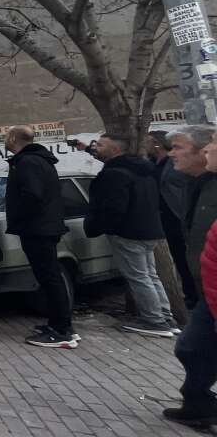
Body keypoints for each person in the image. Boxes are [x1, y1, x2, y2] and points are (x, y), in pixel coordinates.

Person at [80, 134, 176, 337]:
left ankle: (155, 321)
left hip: (128, 232)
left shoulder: (115, 174)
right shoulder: (142, 169)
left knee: (139, 276)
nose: (96, 147)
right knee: (150, 275)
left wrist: (104, 226)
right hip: (150, 229)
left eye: (101, 144)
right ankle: (166, 317)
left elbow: (114, 207)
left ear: (115, 149)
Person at [4, 125, 76, 348]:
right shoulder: (39, 160)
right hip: (43, 227)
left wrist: (18, 215)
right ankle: (58, 323)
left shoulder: (27, 162)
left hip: (37, 229)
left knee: (50, 278)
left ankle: (62, 330)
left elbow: (32, 195)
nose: (5, 140)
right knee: (49, 277)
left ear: (14, 138)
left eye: (7, 137)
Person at [164, 125, 217, 427]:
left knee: (193, 346)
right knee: (191, 347)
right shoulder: (195, 182)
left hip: (212, 288)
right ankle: (198, 403)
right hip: (206, 287)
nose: (172, 153)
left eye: (179, 147)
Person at [150, 130, 200, 310]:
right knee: (180, 259)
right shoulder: (154, 162)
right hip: (164, 217)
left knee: (187, 259)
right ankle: (191, 295)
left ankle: (195, 296)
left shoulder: (175, 164)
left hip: (178, 215)